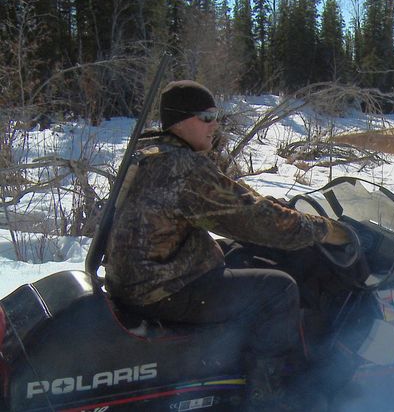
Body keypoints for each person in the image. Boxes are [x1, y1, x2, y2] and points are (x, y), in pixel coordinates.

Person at [103, 80, 351, 411]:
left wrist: (269, 205)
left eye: (216, 115)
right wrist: (326, 230)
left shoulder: (152, 155)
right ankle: (274, 394)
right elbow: (254, 219)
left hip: (137, 279)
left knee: (237, 251)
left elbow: (224, 206)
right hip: (161, 289)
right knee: (278, 290)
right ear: (180, 120)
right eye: (206, 116)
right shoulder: (184, 167)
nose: (214, 124)